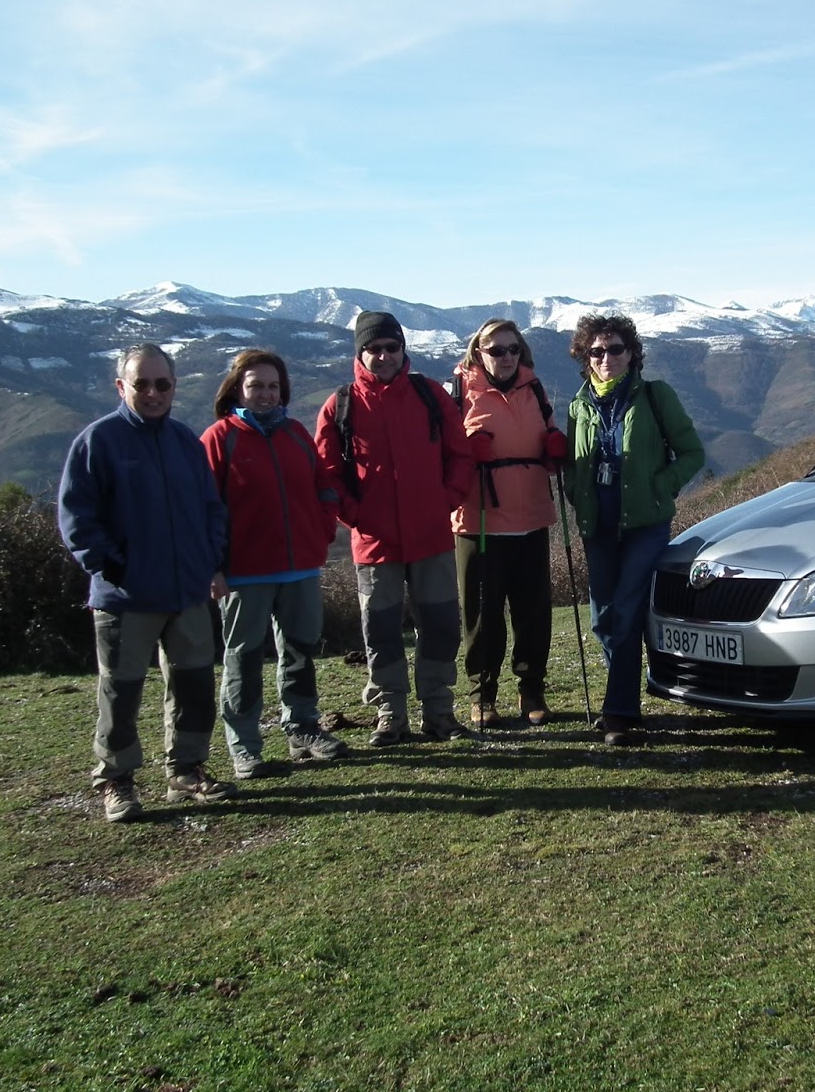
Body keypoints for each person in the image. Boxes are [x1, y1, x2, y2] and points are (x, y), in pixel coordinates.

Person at [58, 343, 235, 822]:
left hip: (187, 592)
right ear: (122, 386)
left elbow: (211, 508)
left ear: (174, 386)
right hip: (126, 596)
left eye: (162, 384)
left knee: (194, 685)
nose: (153, 393)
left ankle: (187, 770)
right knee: (121, 692)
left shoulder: (184, 442)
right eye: (142, 384)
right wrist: (112, 568)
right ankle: (116, 780)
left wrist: (208, 560)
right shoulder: (98, 441)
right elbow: (77, 517)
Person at [315, 311, 476, 746]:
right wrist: (357, 517)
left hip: (430, 536)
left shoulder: (429, 395)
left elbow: (460, 455)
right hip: (375, 542)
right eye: (374, 348)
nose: (384, 356)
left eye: (392, 347)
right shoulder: (341, 405)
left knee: (440, 626)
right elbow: (327, 474)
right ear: (360, 353)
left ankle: (439, 713)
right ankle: (391, 715)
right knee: (381, 632)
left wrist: (446, 500)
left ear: (403, 350)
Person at [200, 349, 350, 779]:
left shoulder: (296, 434)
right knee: (243, 660)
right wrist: (213, 566)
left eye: (273, 386)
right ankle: (244, 746)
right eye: (256, 386)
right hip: (244, 573)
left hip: (300, 566)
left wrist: (321, 529)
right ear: (237, 389)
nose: (265, 394)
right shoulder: (219, 438)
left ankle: (303, 728)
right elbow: (203, 508)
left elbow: (323, 486)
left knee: (300, 652)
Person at [563, 315, 704, 746]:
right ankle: (622, 695)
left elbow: (692, 453)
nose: (606, 358)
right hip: (598, 526)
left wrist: (660, 487)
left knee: (625, 612)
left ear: (632, 354)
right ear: (586, 358)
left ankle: (619, 712)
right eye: (597, 351)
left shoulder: (655, 396)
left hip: (645, 525)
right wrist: (575, 493)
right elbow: (572, 464)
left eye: (616, 349)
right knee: (602, 620)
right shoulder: (579, 406)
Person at [449, 319, 568, 728]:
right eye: (496, 350)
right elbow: (441, 451)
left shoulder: (533, 389)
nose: (506, 357)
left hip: (531, 515)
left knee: (533, 611)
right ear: (478, 352)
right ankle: (482, 695)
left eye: (513, 349)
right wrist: (467, 452)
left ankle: (531, 690)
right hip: (478, 520)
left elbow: (547, 434)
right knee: (483, 614)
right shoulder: (459, 392)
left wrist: (554, 448)